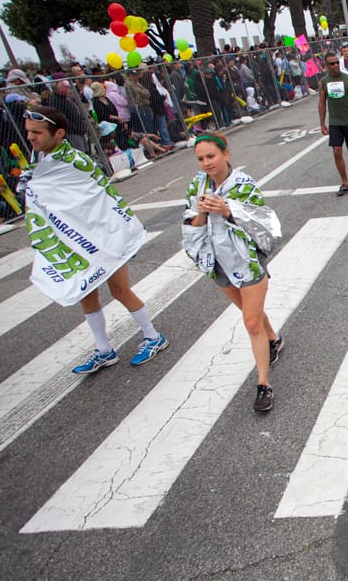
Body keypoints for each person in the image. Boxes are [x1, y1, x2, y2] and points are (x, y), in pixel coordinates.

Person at [22, 106, 168, 374]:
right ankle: (104, 350)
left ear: (59, 133)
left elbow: (98, 198)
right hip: (75, 242)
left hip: (104, 237)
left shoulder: (75, 162)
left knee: (119, 290)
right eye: (29, 131)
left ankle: (153, 336)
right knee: (86, 295)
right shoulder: (40, 165)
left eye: (37, 132)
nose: (30, 137)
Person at [182, 132, 283, 412]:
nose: (206, 163)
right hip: (217, 263)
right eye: (200, 159)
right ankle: (274, 339)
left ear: (225, 154)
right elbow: (189, 224)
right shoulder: (196, 185)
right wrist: (202, 213)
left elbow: (261, 223)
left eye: (211, 156)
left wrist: (227, 211)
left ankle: (264, 384)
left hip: (246, 261)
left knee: (251, 322)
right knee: (251, 313)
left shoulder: (244, 184)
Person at [318, 50, 348, 197]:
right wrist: (322, 123)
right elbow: (321, 103)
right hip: (335, 123)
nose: (335, 65)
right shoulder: (324, 82)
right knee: (336, 151)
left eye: (337, 62)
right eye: (332, 63)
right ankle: (345, 182)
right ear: (326, 66)